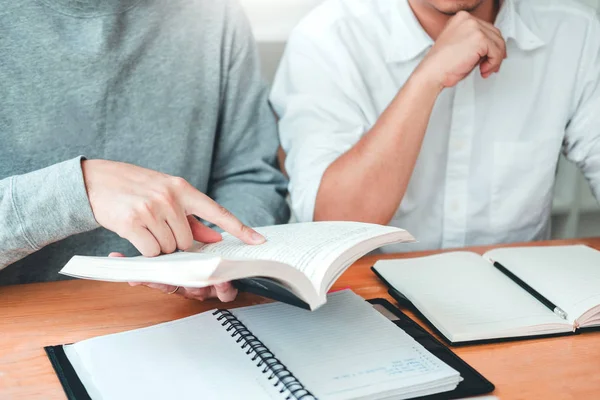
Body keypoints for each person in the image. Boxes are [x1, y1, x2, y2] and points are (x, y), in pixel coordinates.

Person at [0, 0, 289, 301]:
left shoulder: (217, 15)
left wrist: (216, 257)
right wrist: (78, 191)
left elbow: (251, 176)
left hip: (186, 318)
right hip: (22, 326)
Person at [271, 0, 600, 252]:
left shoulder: (576, 32)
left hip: (522, 314)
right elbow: (333, 225)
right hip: (367, 310)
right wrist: (426, 78)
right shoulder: (328, 37)